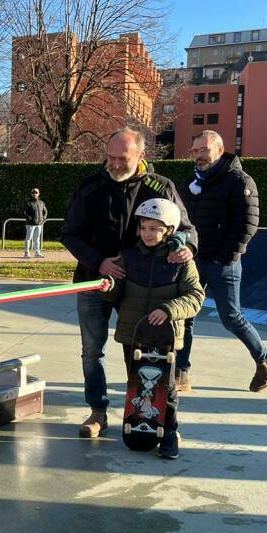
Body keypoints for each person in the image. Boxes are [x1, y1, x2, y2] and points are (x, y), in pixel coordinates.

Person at [61, 128, 198, 439]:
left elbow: (186, 229)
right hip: (93, 281)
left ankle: (143, 410)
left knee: (141, 352)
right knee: (92, 350)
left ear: (140, 156)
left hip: (142, 285)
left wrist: (187, 247)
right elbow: (70, 234)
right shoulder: (90, 187)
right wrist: (99, 262)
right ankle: (98, 411)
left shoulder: (160, 187)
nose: (114, 164)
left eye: (122, 159)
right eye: (109, 157)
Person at [101, 198, 204, 459]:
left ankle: (169, 431)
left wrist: (168, 310)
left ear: (169, 230)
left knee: (165, 386)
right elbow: (117, 293)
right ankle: (141, 425)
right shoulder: (129, 256)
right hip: (133, 333)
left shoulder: (180, 260)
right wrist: (109, 287)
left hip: (165, 337)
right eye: (144, 227)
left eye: (155, 229)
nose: (147, 234)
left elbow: (195, 297)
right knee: (136, 382)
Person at [176, 130, 267, 392]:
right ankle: (180, 374)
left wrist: (225, 258)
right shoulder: (191, 182)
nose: (198, 156)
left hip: (223, 263)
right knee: (185, 316)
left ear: (220, 150)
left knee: (231, 317)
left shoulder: (238, 181)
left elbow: (248, 224)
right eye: (195, 151)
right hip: (194, 261)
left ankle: (265, 359)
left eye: (204, 150)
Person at [24, 187, 48, 258]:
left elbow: (45, 212)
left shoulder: (41, 202)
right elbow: (24, 212)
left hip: (39, 224)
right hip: (30, 224)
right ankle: (26, 253)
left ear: (38, 194)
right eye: (33, 193)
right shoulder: (28, 203)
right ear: (31, 194)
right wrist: (30, 219)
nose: (34, 194)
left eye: (36, 192)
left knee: (37, 239)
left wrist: (43, 218)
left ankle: (37, 253)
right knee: (28, 239)